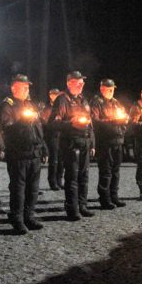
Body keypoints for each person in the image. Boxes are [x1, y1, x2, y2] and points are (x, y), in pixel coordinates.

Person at [0, 74, 48, 234]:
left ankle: (29, 216)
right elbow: (7, 128)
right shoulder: (7, 106)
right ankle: (17, 219)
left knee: (33, 188)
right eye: (23, 87)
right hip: (18, 153)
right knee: (18, 188)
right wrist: (23, 122)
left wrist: (44, 148)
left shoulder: (29, 104)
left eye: (28, 87)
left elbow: (38, 128)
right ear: (14, 88)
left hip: (34, 153)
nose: (27, 89)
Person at [50, 71, 96, 220]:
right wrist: (71, 124)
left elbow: (90, 123)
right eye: (78, 82)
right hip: (71, 144)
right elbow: (53, 123)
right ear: (69, 83)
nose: (81, 85)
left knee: (84, 176)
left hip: (84, 143)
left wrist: (92, 143)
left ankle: (82, 205)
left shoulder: (83, 99)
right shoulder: (62, 100)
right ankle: (72, 208)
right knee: (72, 177)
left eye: (82, 82)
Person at [90, 78, 128, 210]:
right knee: (106, 171)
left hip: (117, 140)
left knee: (116, 171)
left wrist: (123, 124)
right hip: (104, 142)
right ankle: (104, 198)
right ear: (102, 89)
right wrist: (112, 122)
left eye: (113, 89)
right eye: (109, 89)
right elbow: (94, 121)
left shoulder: (116, 103)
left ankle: (114, 196)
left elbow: (123, 116)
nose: (112, 91)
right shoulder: (96, 103)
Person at [40, 88, 63, 190]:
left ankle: (59, 180)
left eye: (57, 95)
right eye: (53, 95)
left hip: (61, 135)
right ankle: (52, 182)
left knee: (61, 160)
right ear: (50, 96)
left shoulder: (61, 106)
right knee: (54, 160)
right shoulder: (47, 108)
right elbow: (45, 123)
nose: (55, 96)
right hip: (52, 136)